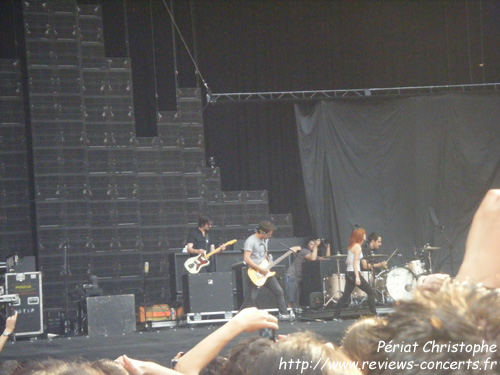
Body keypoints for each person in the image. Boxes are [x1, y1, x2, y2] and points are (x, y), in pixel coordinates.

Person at [239, 221, 295, 320]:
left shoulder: (265, 240)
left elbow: (265, 253)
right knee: (252, 297)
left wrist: (268, 262)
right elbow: (246, 259)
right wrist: (260, 269)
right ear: (262, 232)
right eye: (269, 234)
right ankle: (239, 317)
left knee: (279, 291)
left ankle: (284, 314)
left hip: (265, 271)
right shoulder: (250, 241)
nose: (270, 235)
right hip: (255, 272)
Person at [333, 228, 376, 321]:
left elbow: (347, 261)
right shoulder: (357, 247)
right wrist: (357, 277)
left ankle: (336, 316)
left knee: (345, 296)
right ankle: (374, 314)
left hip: (349, 272)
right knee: (370, 292)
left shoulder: (352, 246)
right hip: (353, 273)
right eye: (364, 234)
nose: (365, 235)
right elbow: (355, 263)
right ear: (360, 236)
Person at [285, 239, 319, 313]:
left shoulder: (313, 253)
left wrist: (328, 247)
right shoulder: (304, 251)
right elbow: (312, 259)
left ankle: (294, 314)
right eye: (311, 244)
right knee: (291, 298)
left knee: (296, 299)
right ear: (307, 245)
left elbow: (325, 258)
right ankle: (288, 314)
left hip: (299, 278)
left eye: (314, 244)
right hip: (292, 275)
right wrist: (316, 246)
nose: (313, 246)